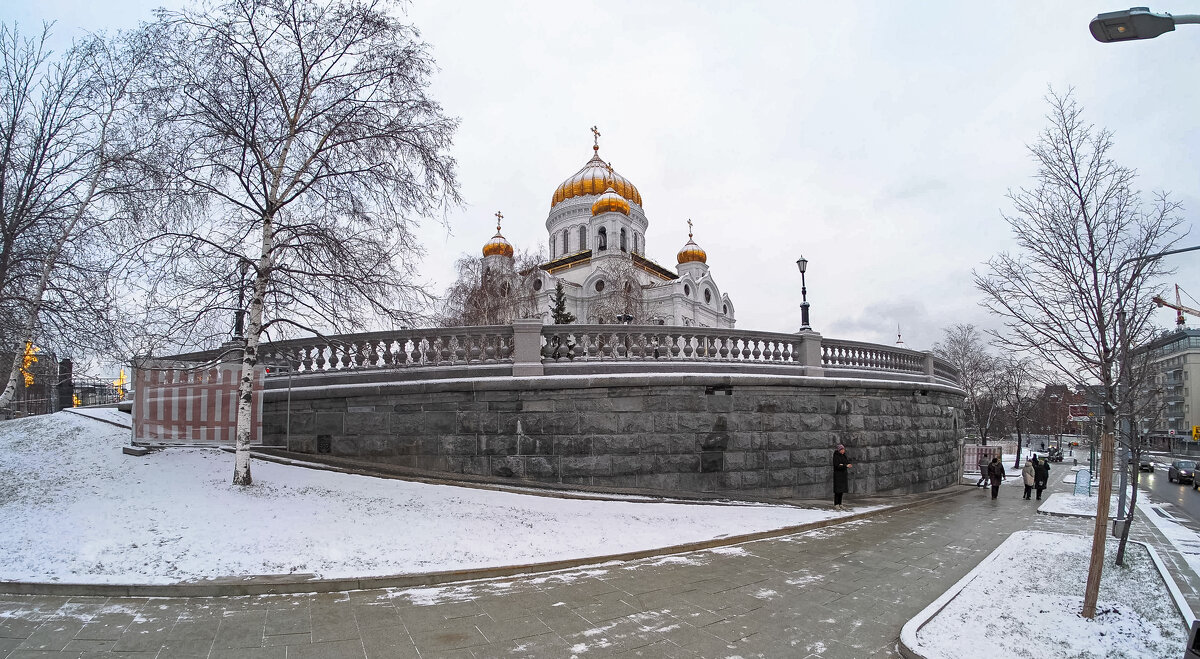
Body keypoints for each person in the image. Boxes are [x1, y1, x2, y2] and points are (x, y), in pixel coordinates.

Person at [833, 444, 852, 510]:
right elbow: (837, 465)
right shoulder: (836, 456)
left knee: (842, 490)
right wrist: (845, 466)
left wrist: (847, 464)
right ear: (839, 450)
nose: (844, 450)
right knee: (837, 491)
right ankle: (836, 504)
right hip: (838, 475)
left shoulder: (844, 455)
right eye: (842, 449)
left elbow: (846, 462)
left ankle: (840, 503)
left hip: (843, 475)